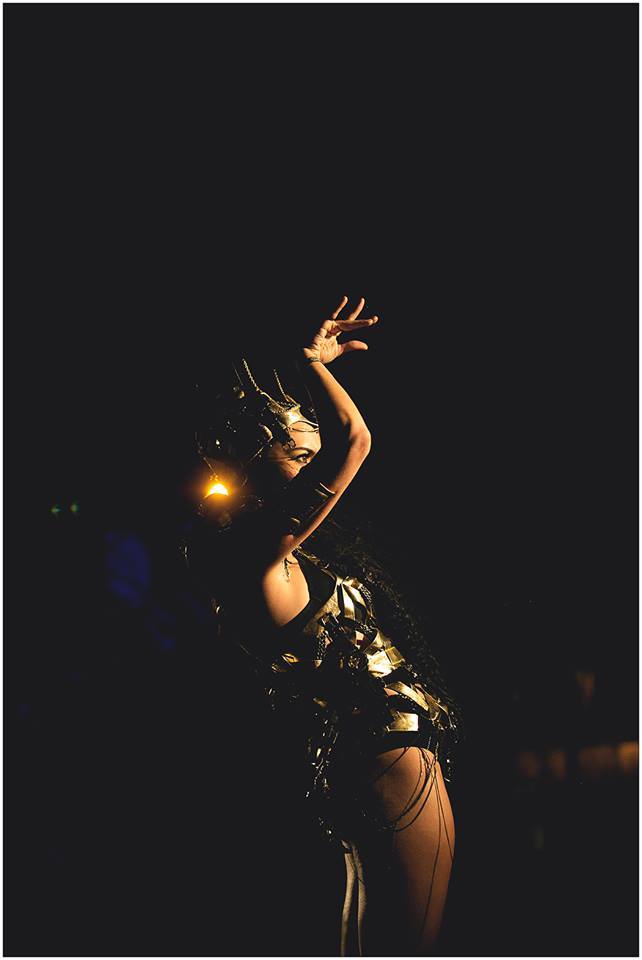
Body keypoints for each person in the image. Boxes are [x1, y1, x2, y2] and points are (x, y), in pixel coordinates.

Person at [183, 296, 462, 956]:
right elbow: (356, 441)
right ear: (251, 466)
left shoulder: (276, 553)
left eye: (311, 451)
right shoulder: (251, 555)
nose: (312, 460)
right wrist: (311, 364)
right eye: (297, 453)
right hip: (383, 764)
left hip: (384, 760)